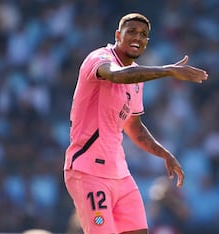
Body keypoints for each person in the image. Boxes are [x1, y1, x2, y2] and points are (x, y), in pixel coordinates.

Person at [64, 13, 208, 234]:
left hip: (120, 175)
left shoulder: (137, 80)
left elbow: (134, 126)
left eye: (143, 35)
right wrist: (168, 70)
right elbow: (118, 76)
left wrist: (163, 153)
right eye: (131, 31)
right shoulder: (100, 58)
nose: (137, 37)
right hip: (88, 172)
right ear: (117, 35)